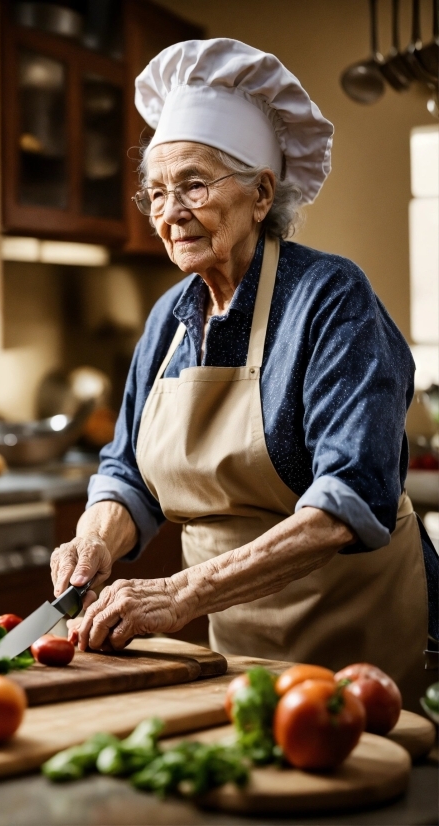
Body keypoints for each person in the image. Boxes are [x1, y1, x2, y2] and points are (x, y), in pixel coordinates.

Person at [51, 38, 437, 710]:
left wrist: (178, 593)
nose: (171, 213)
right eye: (157, 193)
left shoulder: (330, 298)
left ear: (261, 194)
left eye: (194, 185)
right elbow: (128, 475)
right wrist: (94, 540)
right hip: (236, 646)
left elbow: (353, 496)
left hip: (362, 643)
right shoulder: (169, 317)